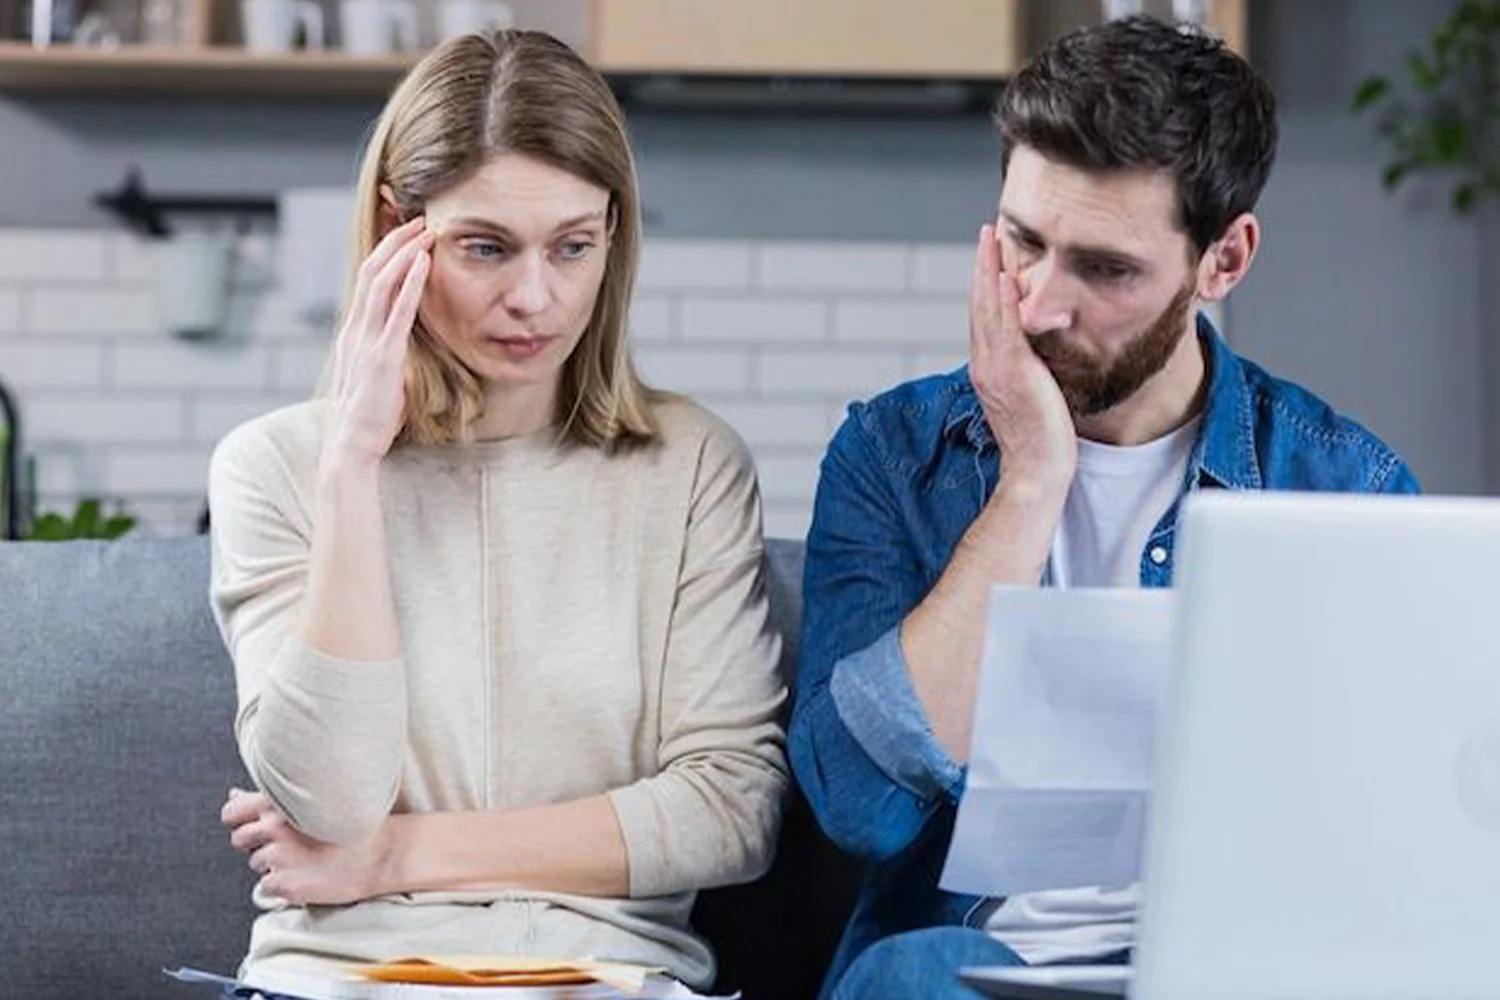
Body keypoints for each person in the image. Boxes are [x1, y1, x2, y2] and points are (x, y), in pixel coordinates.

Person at [789, 14, 1420, 1000]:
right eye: (1023, 242)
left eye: (1106, 268)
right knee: (908, 975)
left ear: (1224, 260)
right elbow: (859, 807)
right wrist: (1029, 484)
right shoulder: (893, 455)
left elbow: (1395, 837)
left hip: (1241, 969)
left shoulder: (1346, 489)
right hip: (970, 973)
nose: (1039, 304)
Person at [208, 28, 787, 994]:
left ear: (615, 232)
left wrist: (394, 858)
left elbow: (729, 812)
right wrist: (351, 462)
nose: (536, 298)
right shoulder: (275, 468)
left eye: (573, 246)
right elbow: (330, 797)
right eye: (485, 248)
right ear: (399, 230)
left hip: (607, 977)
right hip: (343, 979)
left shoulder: (691, 468)